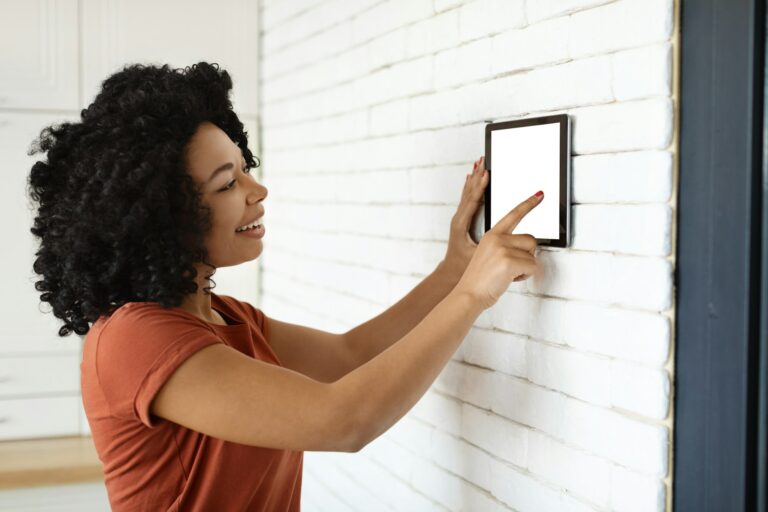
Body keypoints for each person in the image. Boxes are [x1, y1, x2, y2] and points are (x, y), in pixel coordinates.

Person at [25, 61, 543, 511]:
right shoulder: (136, 339)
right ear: (161, 217)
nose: (258, 190)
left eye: (244, 169)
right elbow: (344, 421)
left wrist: (454, 269)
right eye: (227, 184)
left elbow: (350, 354)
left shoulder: (226, 317)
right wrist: (473, 294)